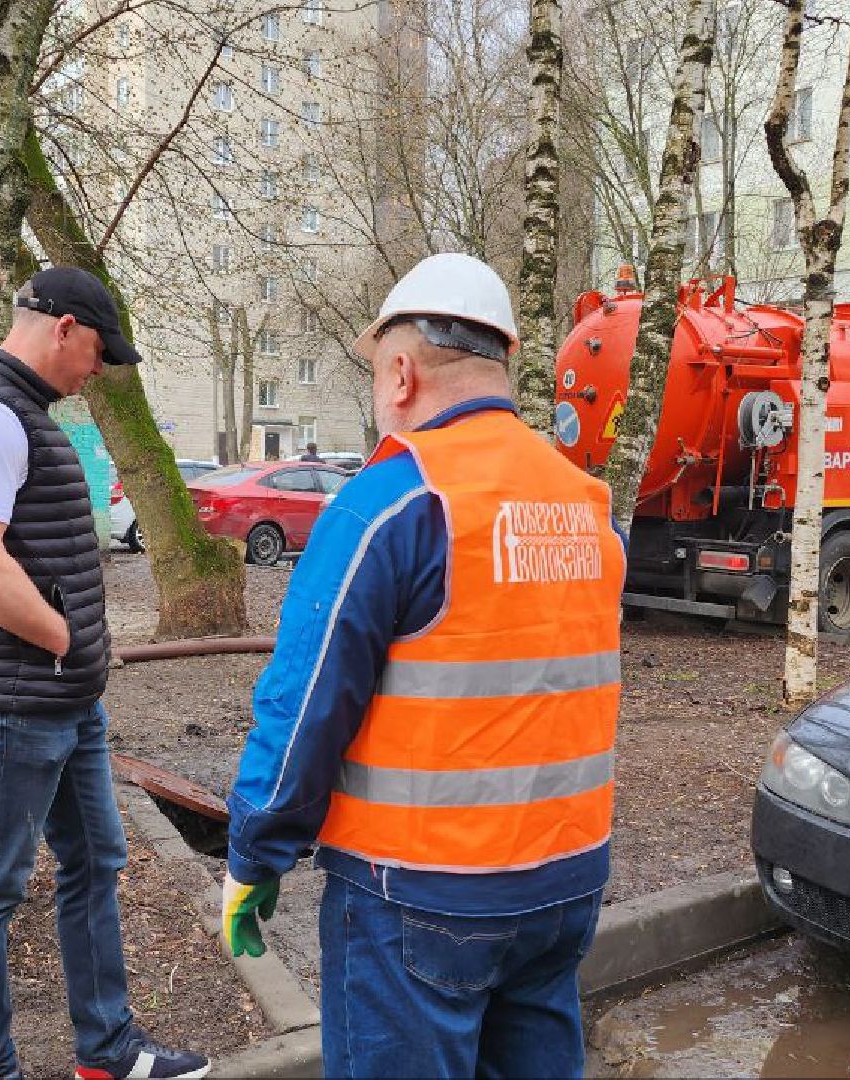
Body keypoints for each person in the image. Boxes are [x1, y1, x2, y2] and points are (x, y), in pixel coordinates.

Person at [221, 253, 627, 1078]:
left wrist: (253, 853)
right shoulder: (585, 504)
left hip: (419, 895)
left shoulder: (395, 501)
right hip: (565, 884)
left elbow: (303, 704)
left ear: (400, 372)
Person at [0, 266, 210, 1080]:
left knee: (95, 863)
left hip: (61, 700)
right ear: (64, 328)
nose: (96, 372)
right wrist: (64, 639)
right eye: (97, 353)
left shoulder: (19, 412)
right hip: (17, 703)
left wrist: (74, 657)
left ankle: (108, 1051)